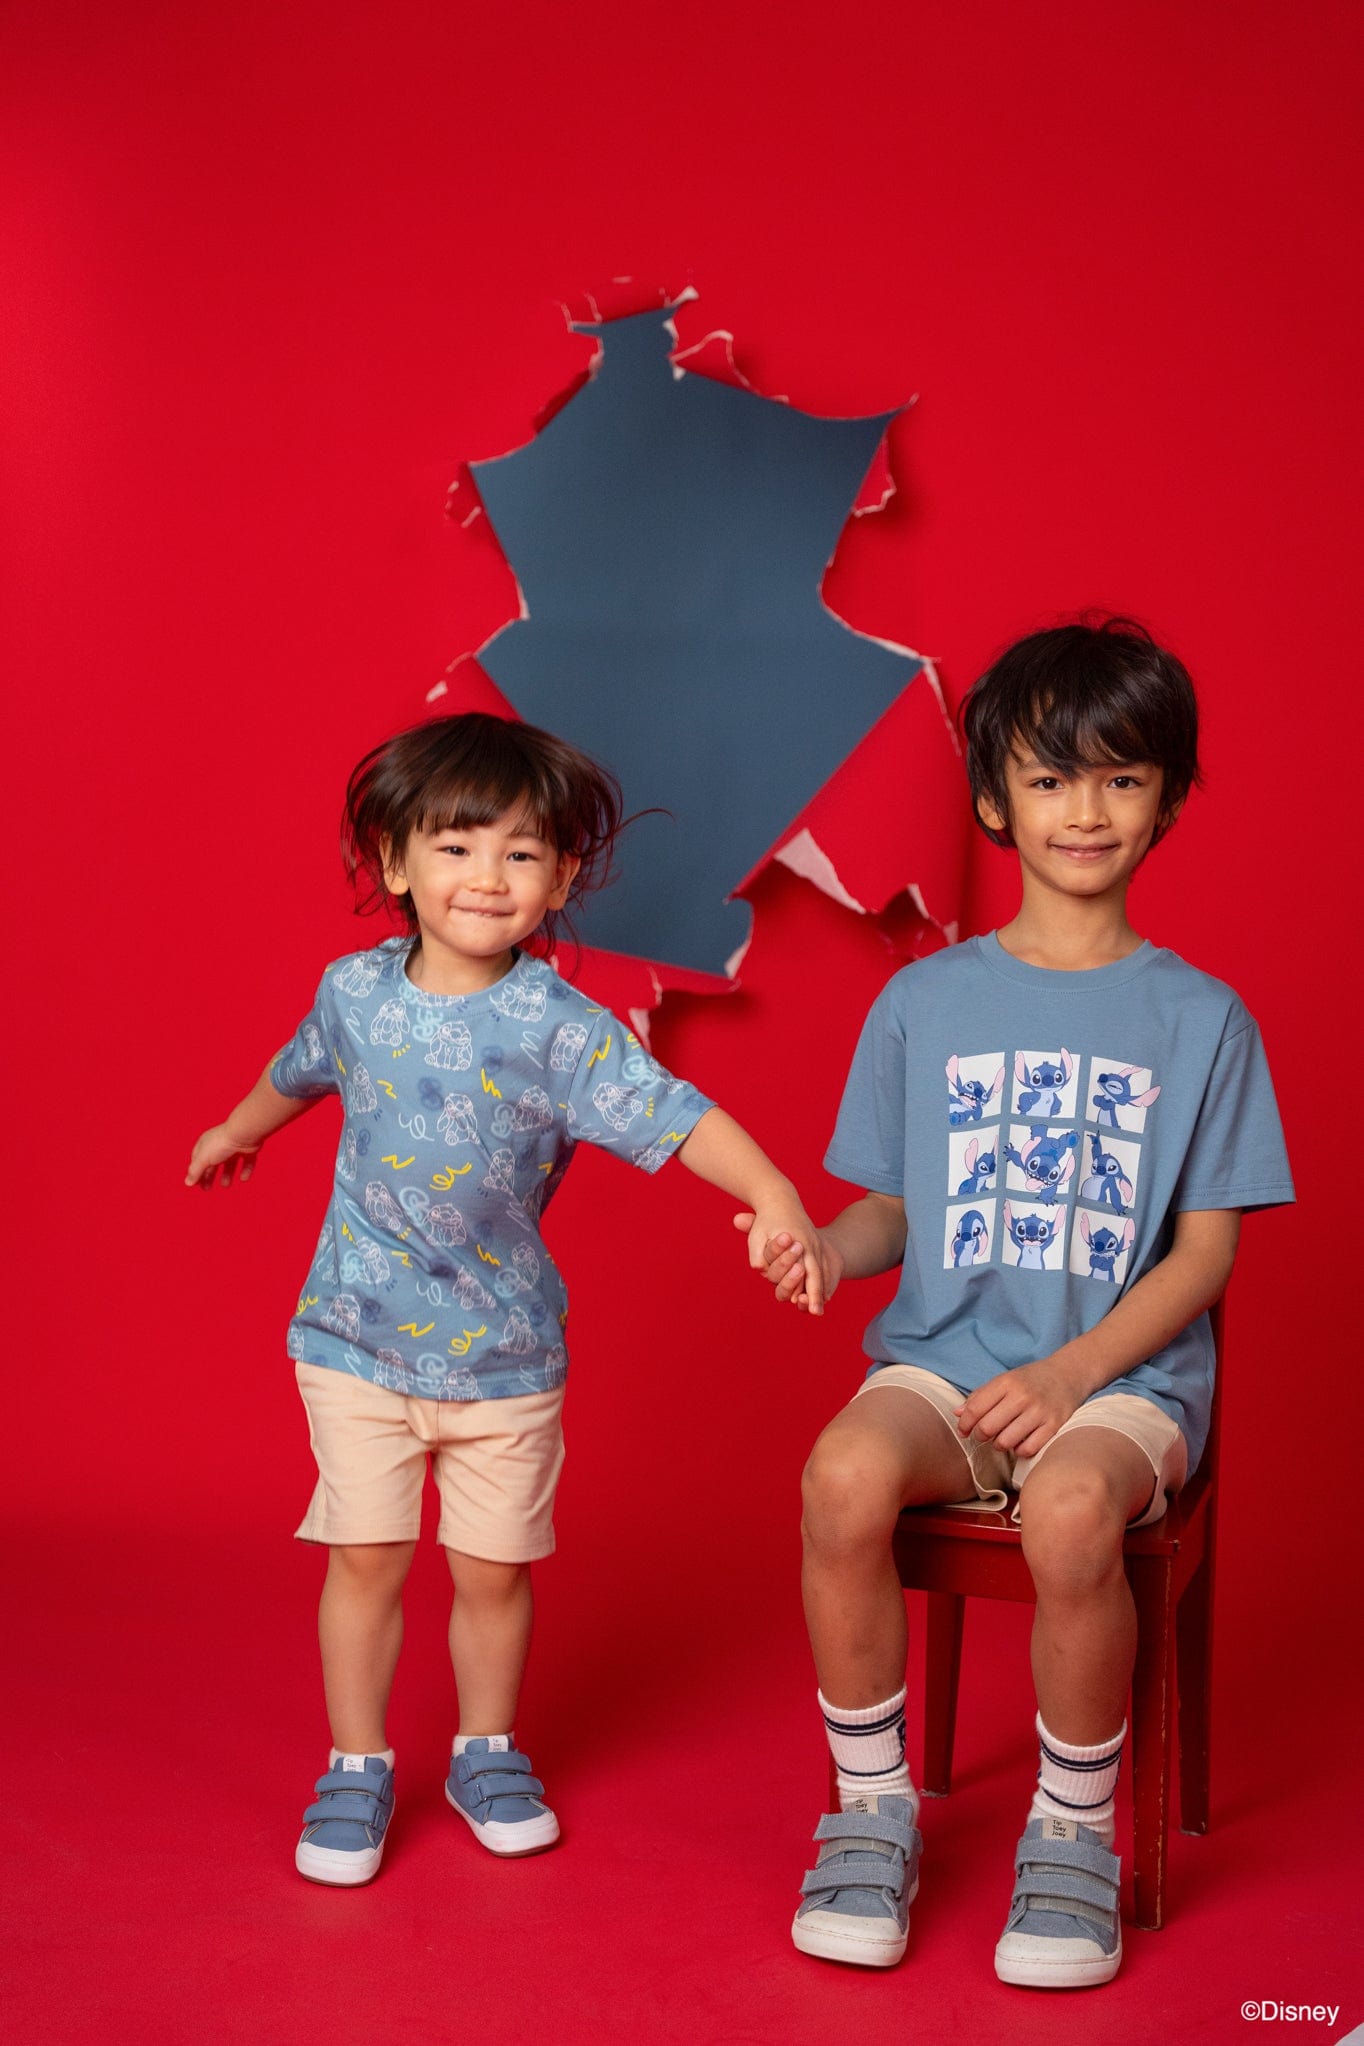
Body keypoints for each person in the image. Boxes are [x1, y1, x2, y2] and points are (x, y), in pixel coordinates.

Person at [186, 711, 823, 1887]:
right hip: (354, 1341)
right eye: (455, 846)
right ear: (394, 862)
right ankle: (356, 1765)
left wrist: (772, 1193)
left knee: (491, 1572)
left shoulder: (562, 1032)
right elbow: (298, 1069)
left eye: (520, 853)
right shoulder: (352, 992)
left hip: (505, 1357)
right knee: (366, 1559)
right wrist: (239, 1128)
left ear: (561, 878)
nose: (486, 876)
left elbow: (679, 1117)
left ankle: (486, 1751)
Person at [755, 619, 1293, 1987]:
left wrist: (1070, 1378)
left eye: (1121, 778)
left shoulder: (1205, 1020)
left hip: (1123, 1384)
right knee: (839, 1477)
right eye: (1050, 779)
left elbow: (1203, 1258)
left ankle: (1069, 1833)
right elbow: (893, 1208)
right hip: (947, 1365)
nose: (1085, 809)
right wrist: (826, 1244)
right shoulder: (922, 1000)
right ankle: (870, 1810)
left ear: (1166, 799)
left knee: (1066, 1512)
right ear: (994, 801)